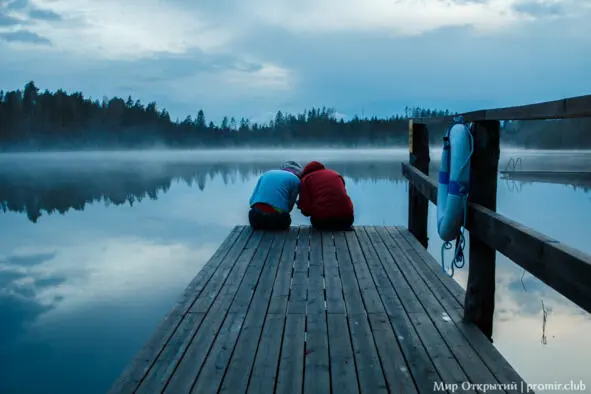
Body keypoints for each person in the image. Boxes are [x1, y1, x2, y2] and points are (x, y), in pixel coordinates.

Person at [297, 161, 354, 230]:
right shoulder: (335, 174)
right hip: (347, 219)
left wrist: (301, 206)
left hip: (323, 221)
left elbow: (306, 209)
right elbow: (341, 194)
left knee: (316, 220)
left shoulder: (306, 179)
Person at [248, 161, 302, 230]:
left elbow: (251, 200)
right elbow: (289, 207)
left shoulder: (267, 173)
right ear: (299, 173)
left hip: (256, 218)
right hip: (276, 219)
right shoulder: (296, 180)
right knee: (286, 220)